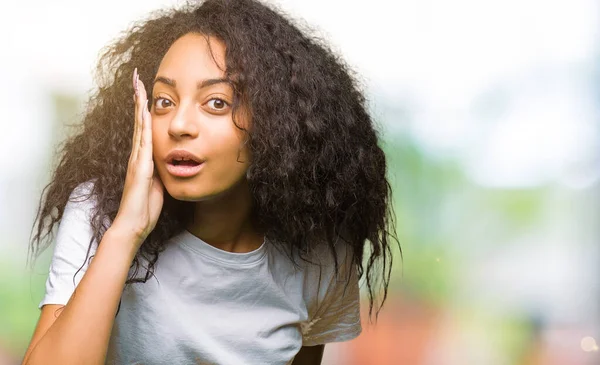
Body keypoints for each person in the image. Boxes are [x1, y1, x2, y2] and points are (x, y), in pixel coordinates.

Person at [22, 0, 400, 364]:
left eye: (216, 102)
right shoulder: (99, 212)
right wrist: (126, 232)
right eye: (164, 101)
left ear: (274, 125)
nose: (180, 125)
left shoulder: (317, 255)